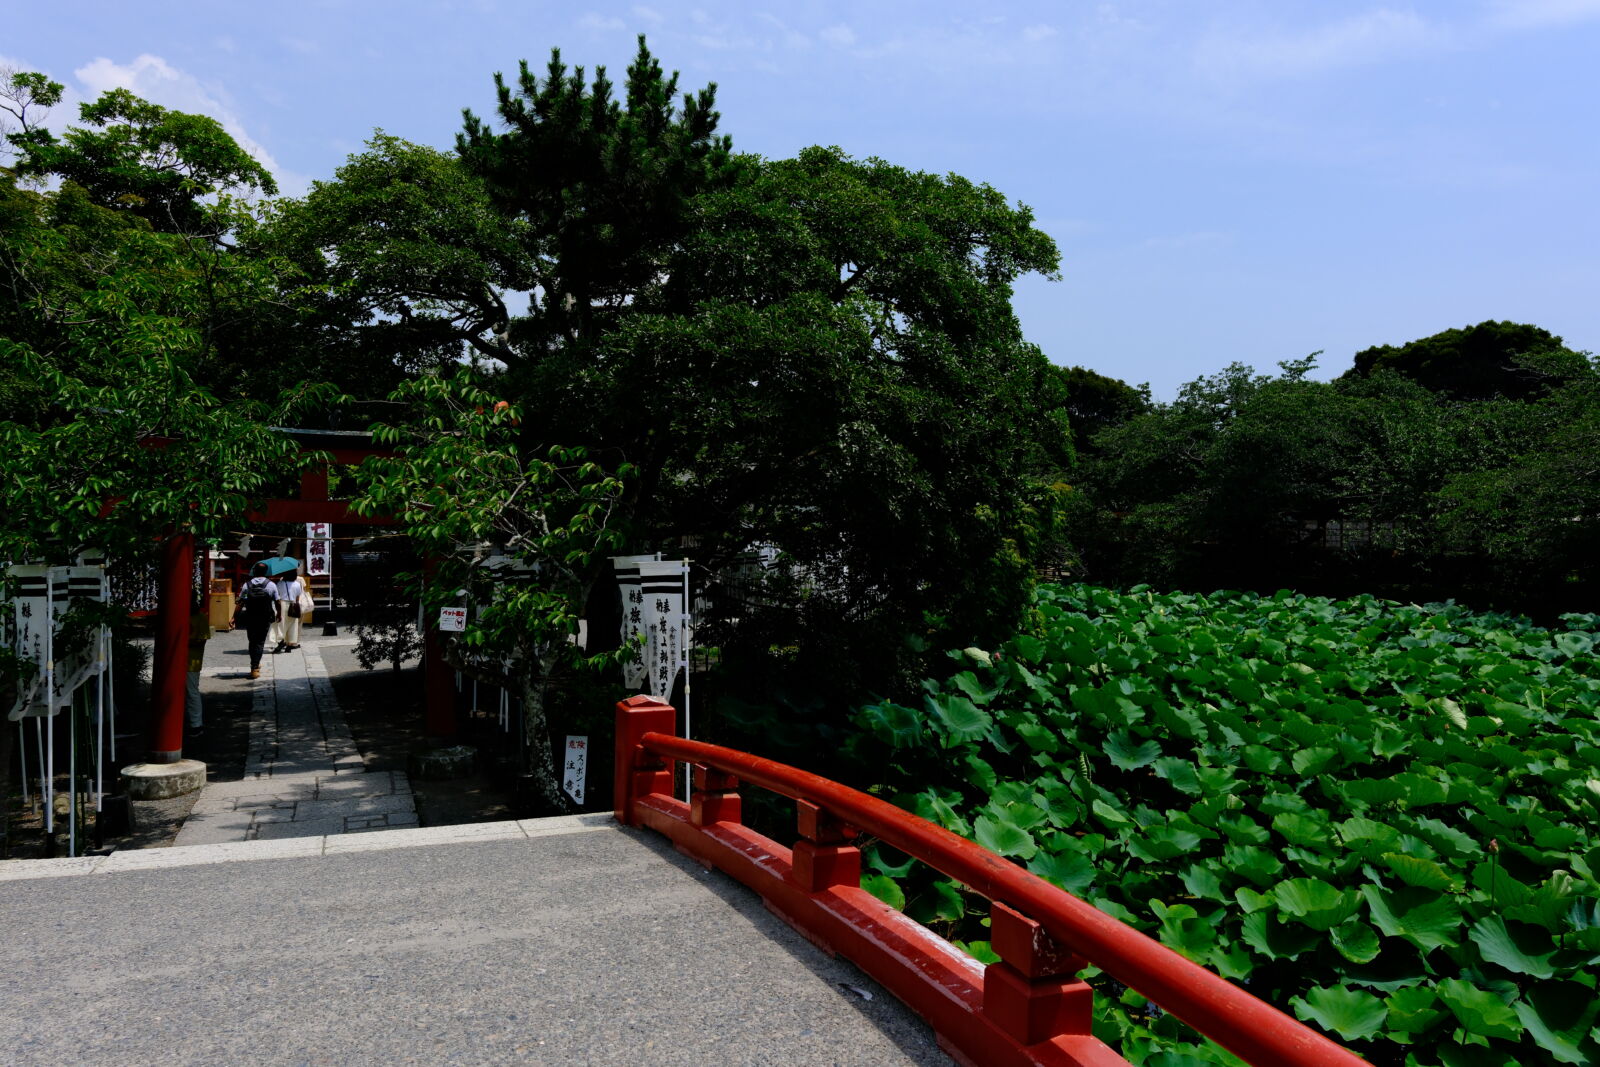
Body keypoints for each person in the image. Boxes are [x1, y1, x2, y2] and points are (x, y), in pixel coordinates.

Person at [234, 563, 277, 678]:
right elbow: (277, 601)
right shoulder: (271, 585)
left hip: (250, 617)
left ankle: (254, 664)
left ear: (254, 571)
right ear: (266, 572)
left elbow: (241, 602)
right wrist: (280, 615)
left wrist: (234, 617)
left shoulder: (246, 585)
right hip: (265, 617)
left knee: (252, 641)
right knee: (260, 641)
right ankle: (255, 666)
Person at [186, 590, 212, 737]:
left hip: (191, 660)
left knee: (191, 692)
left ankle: (196, 723)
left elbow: (201, 641)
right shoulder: (197, 616)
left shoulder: (200, 617)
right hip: (186, 659)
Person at [274, 567, 305, 652]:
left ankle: (281, 641)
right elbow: (298, 597)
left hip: (282, 603)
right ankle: (290, 644)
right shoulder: (297, 584)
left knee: (281, 624)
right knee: (293, 624)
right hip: (293, 604)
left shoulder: (280, 583)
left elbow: (277, 596)